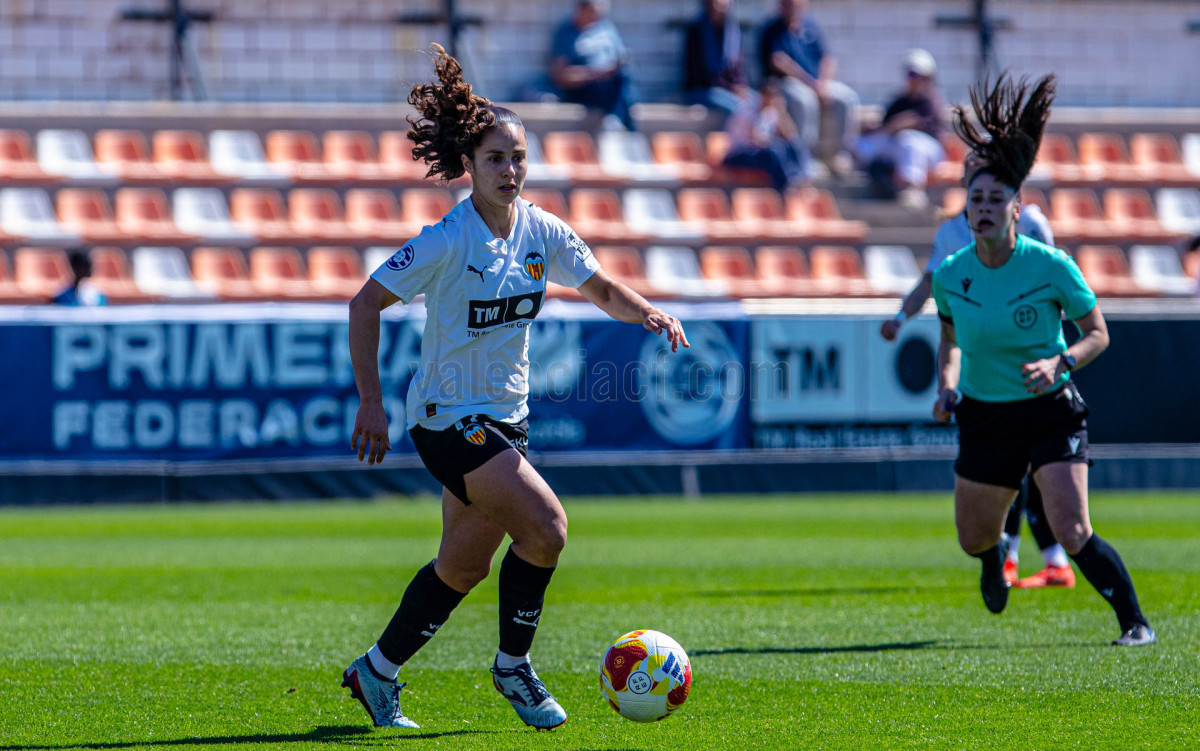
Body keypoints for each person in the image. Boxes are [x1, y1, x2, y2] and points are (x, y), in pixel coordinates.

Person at [342, 44, 690, 730]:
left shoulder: (542, 229)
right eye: (496, 158)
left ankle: (375, 671)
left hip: (507, 419)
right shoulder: (446, 240)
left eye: (519, 158)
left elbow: (599, 287)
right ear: (468, 165)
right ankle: (513, 666)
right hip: (447, 418)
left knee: (461, 567)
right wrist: (372, 402)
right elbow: (364, 303)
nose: (510, 170)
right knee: (548, 528)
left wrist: (648, 311)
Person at [931, 73, 1154, 646]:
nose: (984, 208)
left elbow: (1097, 334)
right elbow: (950, 339)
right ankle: (993, 560)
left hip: (1050, 408)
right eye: (976, 200)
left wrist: (1061, 364)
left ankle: (1136, 624)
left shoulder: (1050, 266)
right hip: (984, 413)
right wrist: (946, 385)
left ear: (1017, 208)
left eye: (995, 200)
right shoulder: (951, 275)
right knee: (971, 538)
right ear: (966, 210)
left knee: (1072, 529)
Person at [882, 149, 1067, 588]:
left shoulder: (1032, 222)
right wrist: (901, 316)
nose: (976, 180)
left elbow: (1053, 279)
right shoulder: (952, 232)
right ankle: (1026, 556)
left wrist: (1053, 350)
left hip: (1033, 361)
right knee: (1011, 466)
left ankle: (1035, 555)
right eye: (971, 175)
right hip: (984, 365)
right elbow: (930, 282)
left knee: (1032, 465)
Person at [759, 0, 859, 172]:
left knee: (847, 98)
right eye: (787, 4)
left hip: (817, 82)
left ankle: (837, 155)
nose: (792, 8)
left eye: (796, 5)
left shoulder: (810, 26)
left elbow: (827, 58)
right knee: (805, 101)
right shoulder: (772, 29)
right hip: (786, 83)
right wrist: (811, 84)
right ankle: (807, 159)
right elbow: (778, 62)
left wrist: (823, 83)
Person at [854, 49, 946, 209]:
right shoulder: (899, 101)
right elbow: (886, 127)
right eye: (910, 74)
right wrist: (871, 129)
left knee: (909, 140)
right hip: (898, 147)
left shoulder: (932, 101)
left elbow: (917, 124)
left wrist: (901, 124)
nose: (913, 79)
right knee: (865, 142)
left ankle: (912, 189)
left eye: (917, 75)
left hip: (930, 152)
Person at [549, 0, 639, 131]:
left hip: (611, 84)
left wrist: (615, 67)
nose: (597, 18)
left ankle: (620, 123)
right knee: (619, 91)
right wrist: (595, 74)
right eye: (593, 13)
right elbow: (560, 76)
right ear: (581, 10)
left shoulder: (606, 28)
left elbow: (620, 56)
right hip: (584, 88)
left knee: (625, 80)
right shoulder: (567, 32)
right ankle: (620, 123)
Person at [721, 79, 813, 192]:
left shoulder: (771, 111)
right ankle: (786, 188)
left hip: (758, 153)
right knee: (775, 149)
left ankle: (802, 178)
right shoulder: (747, 109)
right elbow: (756, 140)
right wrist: (763, 112)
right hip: (737, 155)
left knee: (794, 144)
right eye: (767, 95)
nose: (770, 99)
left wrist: (782, 112)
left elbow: (790, 136)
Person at [683, 0, 749, 116]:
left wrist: (740, 86)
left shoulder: (731, 32)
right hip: (702, 90)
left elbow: (736, 68)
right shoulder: (697, 31)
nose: (723, 10)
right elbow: (700, 74)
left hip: (727, 89)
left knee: (757, 103)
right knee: (739, 109)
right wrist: (730, 87)